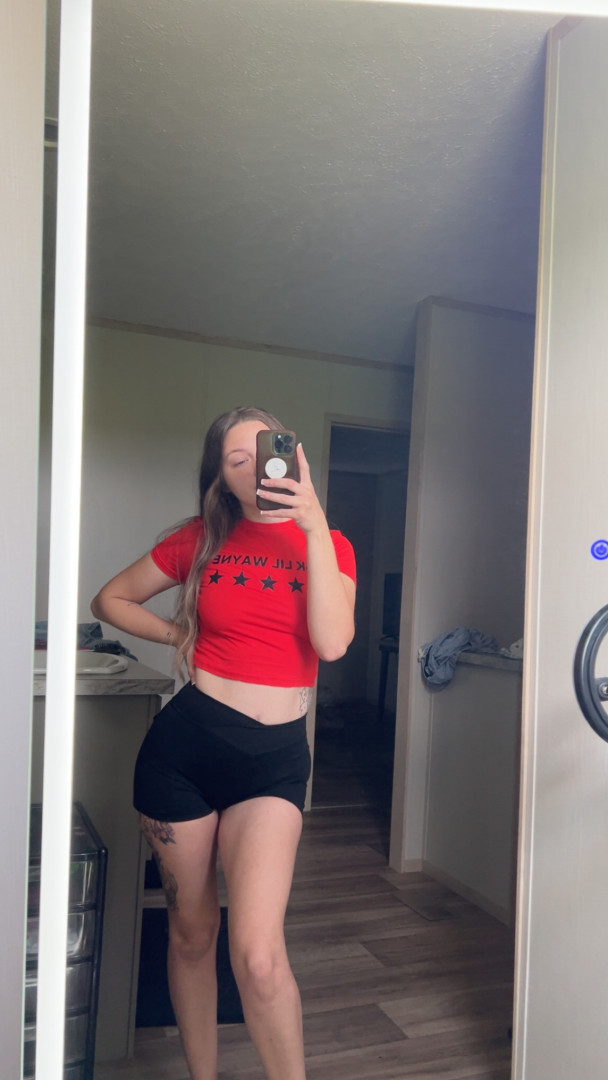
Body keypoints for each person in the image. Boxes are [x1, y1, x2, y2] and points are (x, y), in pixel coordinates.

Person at [91, 406, 356, 1080]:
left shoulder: (331, 543)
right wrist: (180, 636)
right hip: (183, 756)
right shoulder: (199, 539)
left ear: (291, 455)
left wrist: (313, 524)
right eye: (239, 460)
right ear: (223, 480)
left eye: (268, 449)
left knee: (260, 957)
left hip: (274, 764)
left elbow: (331, 643)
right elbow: (110, 600)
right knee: (191, 934)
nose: (258, 466)